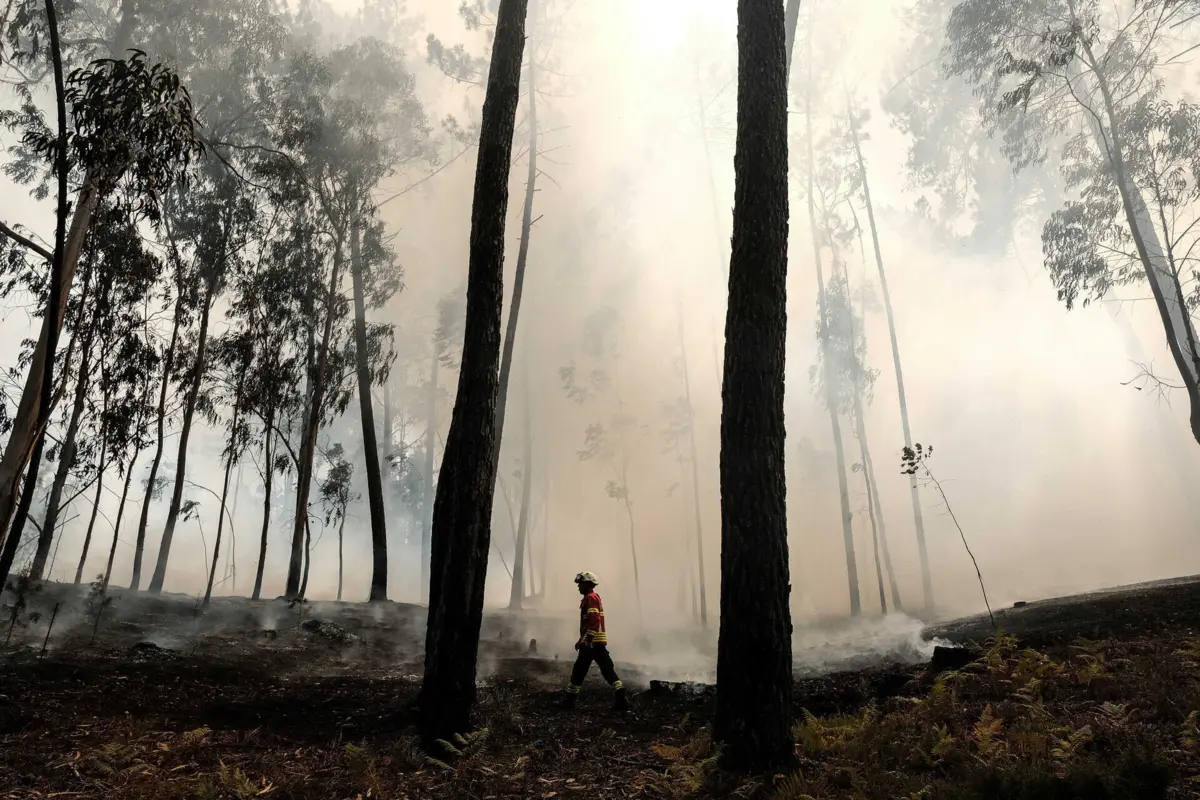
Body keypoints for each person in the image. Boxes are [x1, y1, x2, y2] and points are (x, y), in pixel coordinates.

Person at [558, 571, 629, 711]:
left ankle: (569, 701)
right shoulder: (593, 597)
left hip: (592, 642)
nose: (578, 587)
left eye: (581, 584)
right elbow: (591, 622)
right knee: (607, 669)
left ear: (588, 585)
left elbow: (594, 619)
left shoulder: (590, 598)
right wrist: (581, 639)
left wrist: (588, 639)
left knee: (579, 670)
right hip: (597, 642)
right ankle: (621, 697)